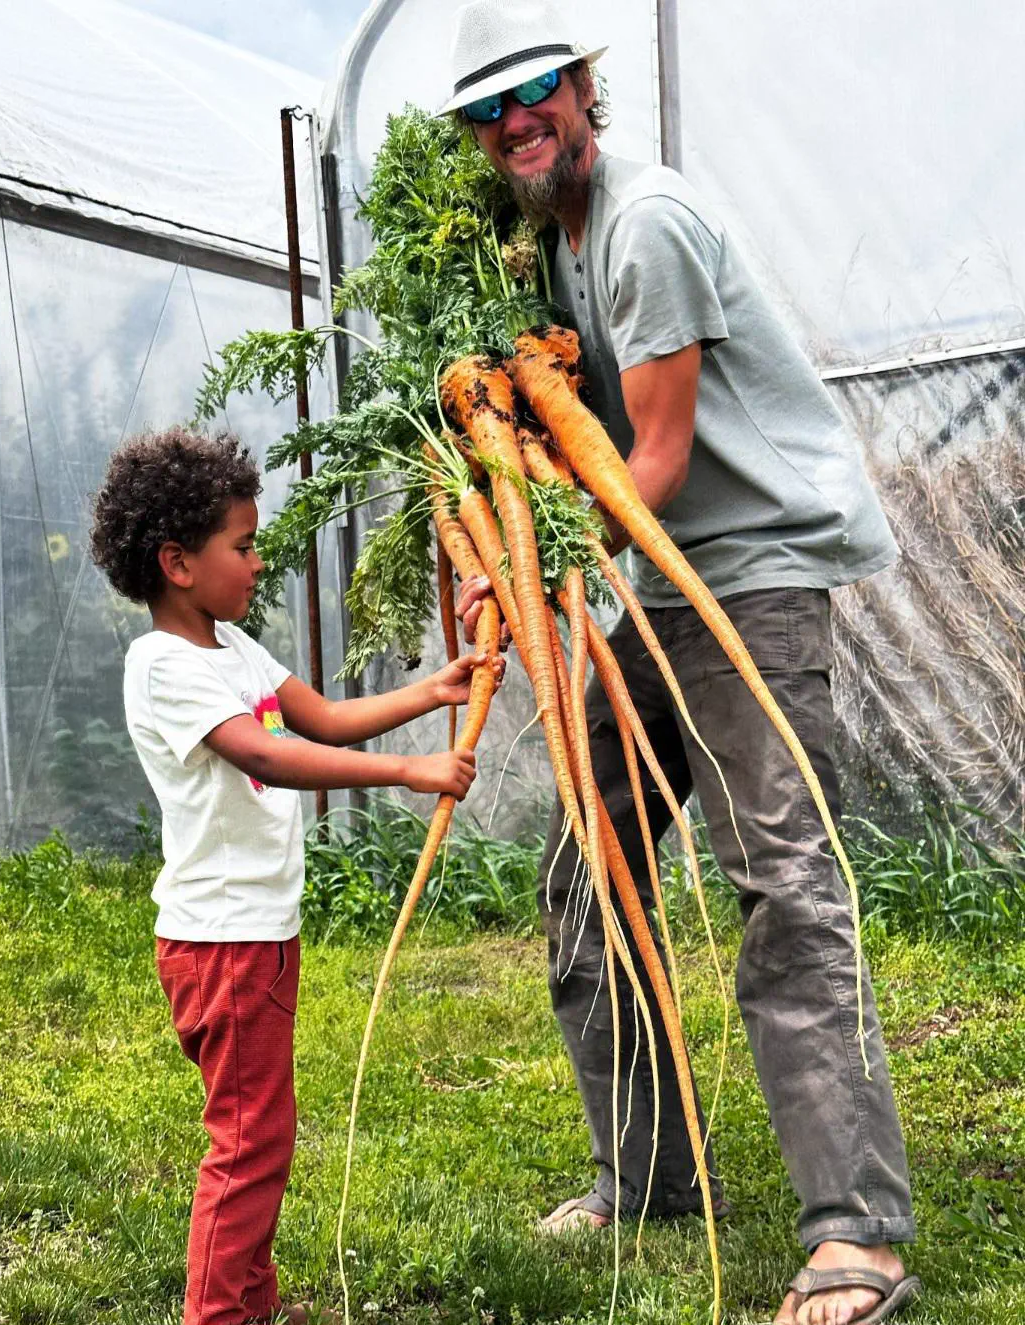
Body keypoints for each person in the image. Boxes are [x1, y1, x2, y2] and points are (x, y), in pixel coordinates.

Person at [444, 3, 921, 1322]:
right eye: (489, 112)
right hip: (651, 577)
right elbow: (572, 446)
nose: (516, 123)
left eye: (534, 92)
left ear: (583, 88)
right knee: (586, 868)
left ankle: (857, 1234)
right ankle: (647, 1175)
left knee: (783, 880)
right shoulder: (551, 244)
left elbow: (647, 464)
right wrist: (487, 516)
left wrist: (534, 559)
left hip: (750, 571)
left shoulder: (645, 224)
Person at [90, 427, 498, 1325]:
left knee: (260, 1133)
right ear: (177, 562)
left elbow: (324, 717)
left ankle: (249, 1303)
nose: (258, 556)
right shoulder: (162, 665)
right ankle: (219, 1316)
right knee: (248, 1142)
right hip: (220, 942)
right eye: (242, 542)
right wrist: (408, 772)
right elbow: (268, 756)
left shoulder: (235, 650)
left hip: (259, 935)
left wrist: (435, 692)